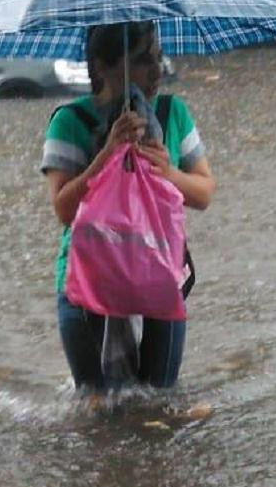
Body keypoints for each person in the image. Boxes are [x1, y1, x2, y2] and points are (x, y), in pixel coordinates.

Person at [40, 21, 216, 393]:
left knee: (159, 405)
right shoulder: (70, 122)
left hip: (159, 277)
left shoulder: (171, 113)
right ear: (102, 67)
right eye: (140, 61)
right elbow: (63, 210)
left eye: (157, 57)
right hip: (86, 285)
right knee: (97, 410)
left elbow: (203, 193)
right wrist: (105, 155)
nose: (156, 71)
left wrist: (167, 170)